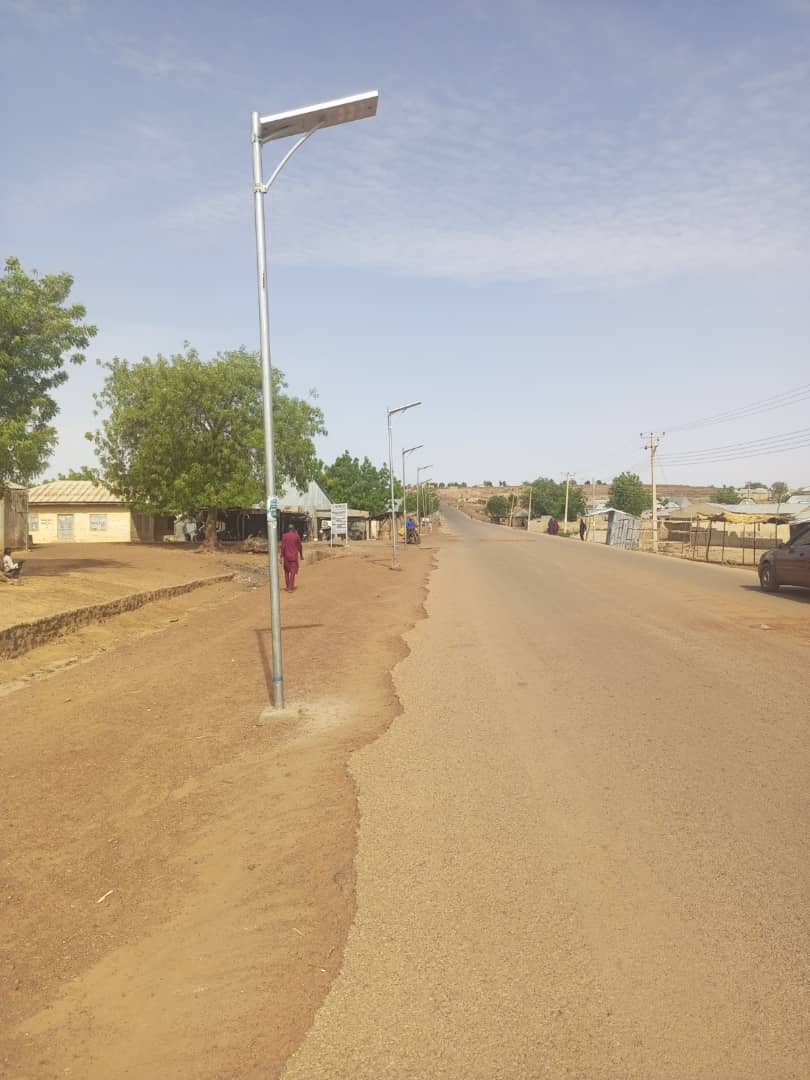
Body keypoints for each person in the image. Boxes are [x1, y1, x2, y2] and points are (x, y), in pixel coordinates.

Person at [280, 524, 303, 592]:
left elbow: (282, 547)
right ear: (293, 529)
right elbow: (300, 547)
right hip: (293, 557)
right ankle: (290, 588)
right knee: (292, 573)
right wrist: (301, 555)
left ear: (288, 529)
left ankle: (287, 586)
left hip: (286, 557)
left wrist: (281, 556)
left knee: (286, 571)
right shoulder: (296, 536)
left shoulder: (284, 536)